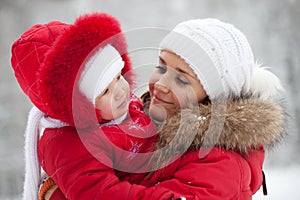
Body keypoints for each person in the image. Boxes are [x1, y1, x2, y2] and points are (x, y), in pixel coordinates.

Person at [30, 18, 286, 199]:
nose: (161, 84)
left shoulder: (221, 161)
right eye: (161, 67)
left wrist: (59, 194)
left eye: (183, 79)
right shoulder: (141, 121)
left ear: (214, 98)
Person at [11, 13, 158, 200]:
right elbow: (102, 194)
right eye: (105, 91)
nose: (121, 91)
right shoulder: (67, 146)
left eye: (119, 76)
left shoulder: (116, 108)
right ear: (80, 104)